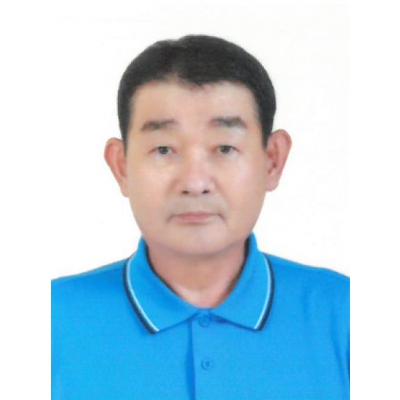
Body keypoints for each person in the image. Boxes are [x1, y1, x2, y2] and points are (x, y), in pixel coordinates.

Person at [52, 35, 350, 399]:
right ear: (122, 166)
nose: (195, 182)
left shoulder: (347, 316)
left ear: (272, 161)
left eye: (225, 147)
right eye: (164, 149)